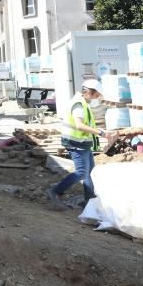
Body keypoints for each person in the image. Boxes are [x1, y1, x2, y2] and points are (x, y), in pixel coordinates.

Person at [47, 79, 114, 209]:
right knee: (82, 172)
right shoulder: (79, 105)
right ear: (89, 92)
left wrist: (101, 131)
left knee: (89, 172)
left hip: (82, 143)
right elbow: (79, 125)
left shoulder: (83, 103)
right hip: (76, 143)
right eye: (96, 94)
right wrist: (100, 133)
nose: (97, 97)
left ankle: (90, 202)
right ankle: (55, 192)